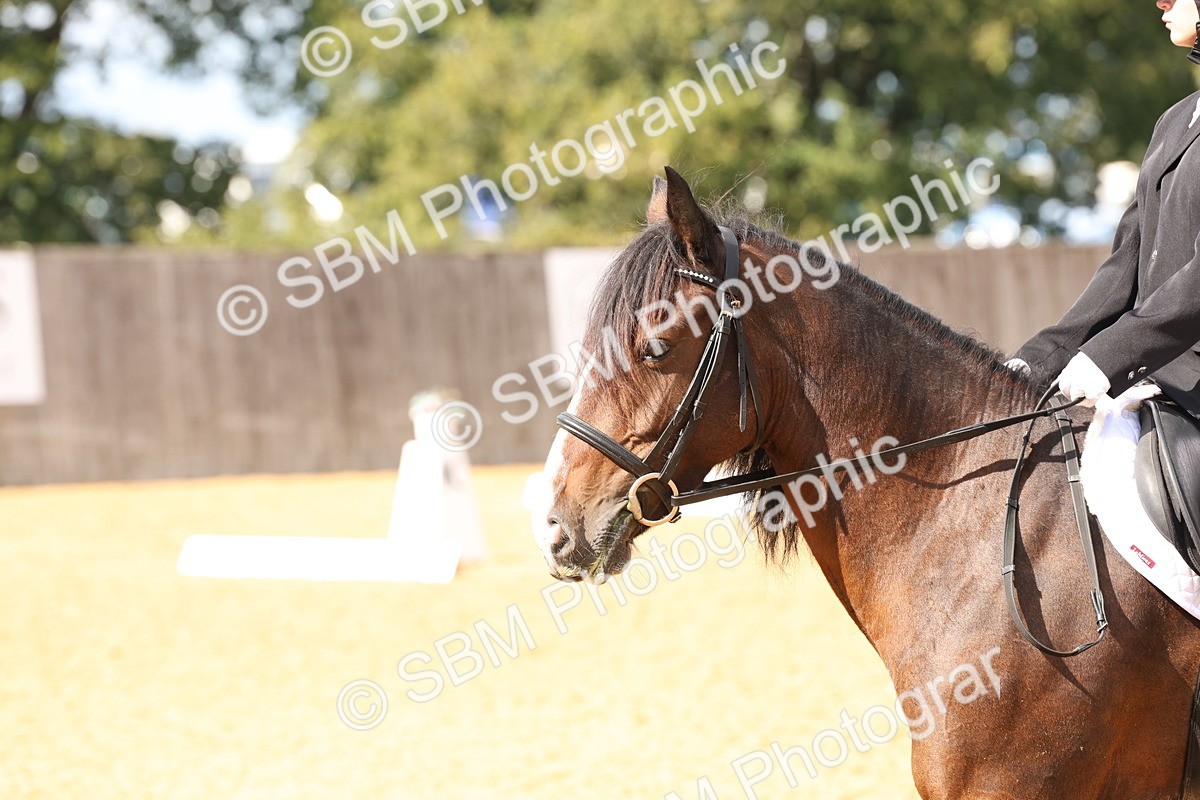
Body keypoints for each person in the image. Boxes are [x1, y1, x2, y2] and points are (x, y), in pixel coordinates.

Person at [1007, 0, 1200, 416]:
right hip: (1158, 374)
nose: (1161, 2)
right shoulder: (1173, 120)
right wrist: (1039, 360)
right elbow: (1125, 264)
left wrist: (1113, 352)